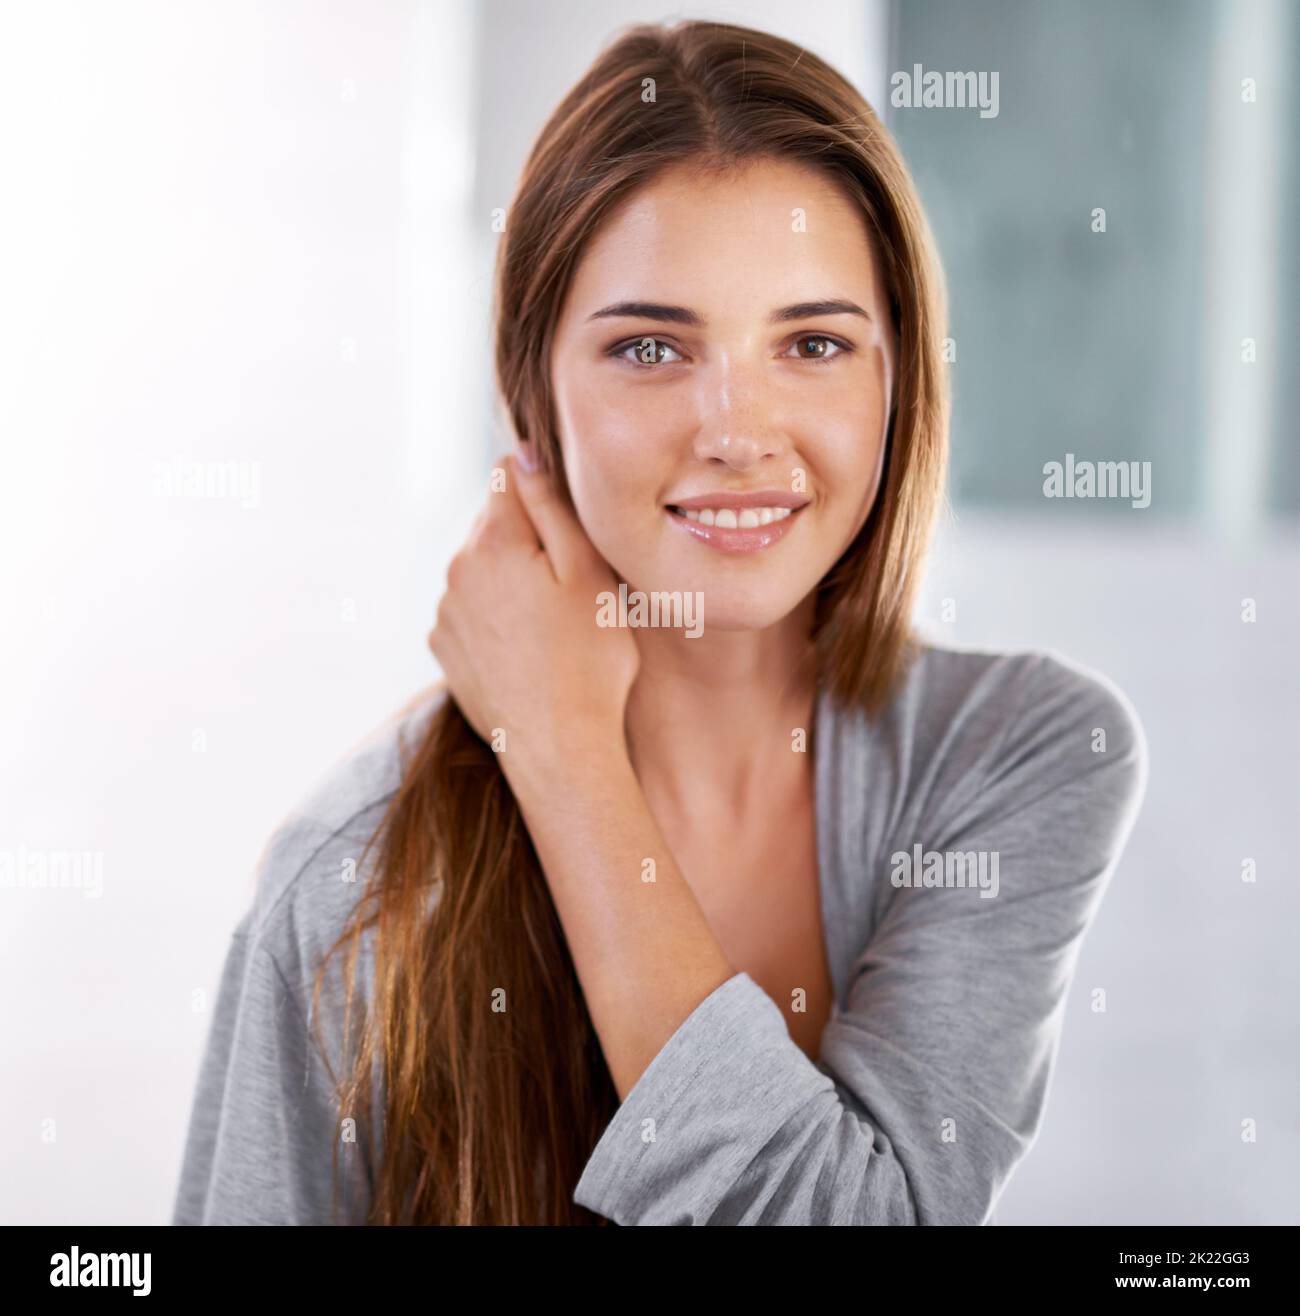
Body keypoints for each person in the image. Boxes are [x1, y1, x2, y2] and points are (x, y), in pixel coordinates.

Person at [172, 18, 1146, 1226]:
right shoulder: (354, 882)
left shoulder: (1017, 753)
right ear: (533, 391)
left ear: (899, 377)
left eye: (813, 342)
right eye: (649, 345)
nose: (738, 430)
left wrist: (564, 751)